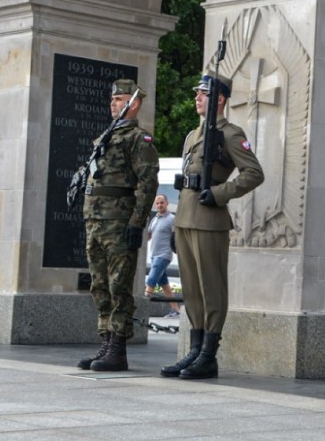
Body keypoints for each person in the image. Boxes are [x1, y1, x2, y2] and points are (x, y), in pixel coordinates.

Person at [160, 74, 264, 380]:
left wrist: (220, 193)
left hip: (209, 219)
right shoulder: (194, 134)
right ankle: (195, 349)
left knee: (211, 287)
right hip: (186, 219)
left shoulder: (230, 134)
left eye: (203, 94)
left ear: (219, 99)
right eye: (197, 93)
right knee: (191, 289)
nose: (197, 98)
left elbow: (253, 173)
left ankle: (208, 354)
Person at [77, 79, 159, 372]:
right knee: (99, 285)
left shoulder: (138, 139)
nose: (114, 104)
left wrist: (137, 222)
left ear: (133, 103)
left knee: (118, 285)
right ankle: (105, 343)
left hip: (119, 222)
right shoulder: (105, 137)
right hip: (96, 221)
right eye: (112, 100)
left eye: (120, 99)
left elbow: (148, 183)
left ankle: (118, 349)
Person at [145, 194, 180, 318]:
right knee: (165, 285)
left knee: (151, 281)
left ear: (167, 203)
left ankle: (139, 308)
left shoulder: (172, 219)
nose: (159, 205)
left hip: (164, 255)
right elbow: (148, 235)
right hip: (154, 255)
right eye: (157, 203)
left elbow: (178, 236)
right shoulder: (155, 219)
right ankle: (176, 309)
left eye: (162, 203)